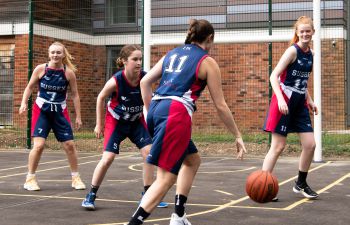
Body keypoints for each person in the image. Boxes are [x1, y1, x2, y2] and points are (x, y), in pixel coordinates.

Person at [126, 19, 247, 225]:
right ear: (209, 38)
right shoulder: (207, 61)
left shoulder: (171, 54)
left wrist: (151, 112)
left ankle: (179, 216)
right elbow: (220, 105)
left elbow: (145, 81)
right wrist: (237, 134)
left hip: (157, 108)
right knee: (165, 179)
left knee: (192, 160)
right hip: (175, 114)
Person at [81, 45, 168, 210]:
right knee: (108, 158)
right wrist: (99, 124)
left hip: (136, 122)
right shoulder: (116, 80)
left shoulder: (145, 78)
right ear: (124, 61)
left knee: (149, 153)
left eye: (140, 59)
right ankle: (91, 194)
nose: (138, 62)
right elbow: (100, 98)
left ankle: (148, 194)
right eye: (135, 59)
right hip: (116, 122)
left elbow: (151, 101)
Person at [262, 16, 318, 200]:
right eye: (301, 31)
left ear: (312, 32)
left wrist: (309, 100)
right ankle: (263, 186)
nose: (305, 34)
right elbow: (273, 76)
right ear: (297, 33)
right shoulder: (292, 52)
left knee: (310, 145)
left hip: (299, 101)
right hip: (284, 100)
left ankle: (300, 183)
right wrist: (280, 99)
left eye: (307, 31)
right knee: (278, 147)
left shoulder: (311, 54)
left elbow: (302, 81)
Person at [19, 41, 86, 191]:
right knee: (39, 145)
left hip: (59, 111)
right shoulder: (40, 69)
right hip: (42, 110)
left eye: (58, 52)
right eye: (53, 52)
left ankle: (76, 178)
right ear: (49, 54)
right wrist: (24, 103)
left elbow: (75, 95)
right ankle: (30, 179)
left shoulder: (68, 73)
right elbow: (29, 87)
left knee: (69, 145)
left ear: (63, 55)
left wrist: (78, 116)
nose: (55, 55)